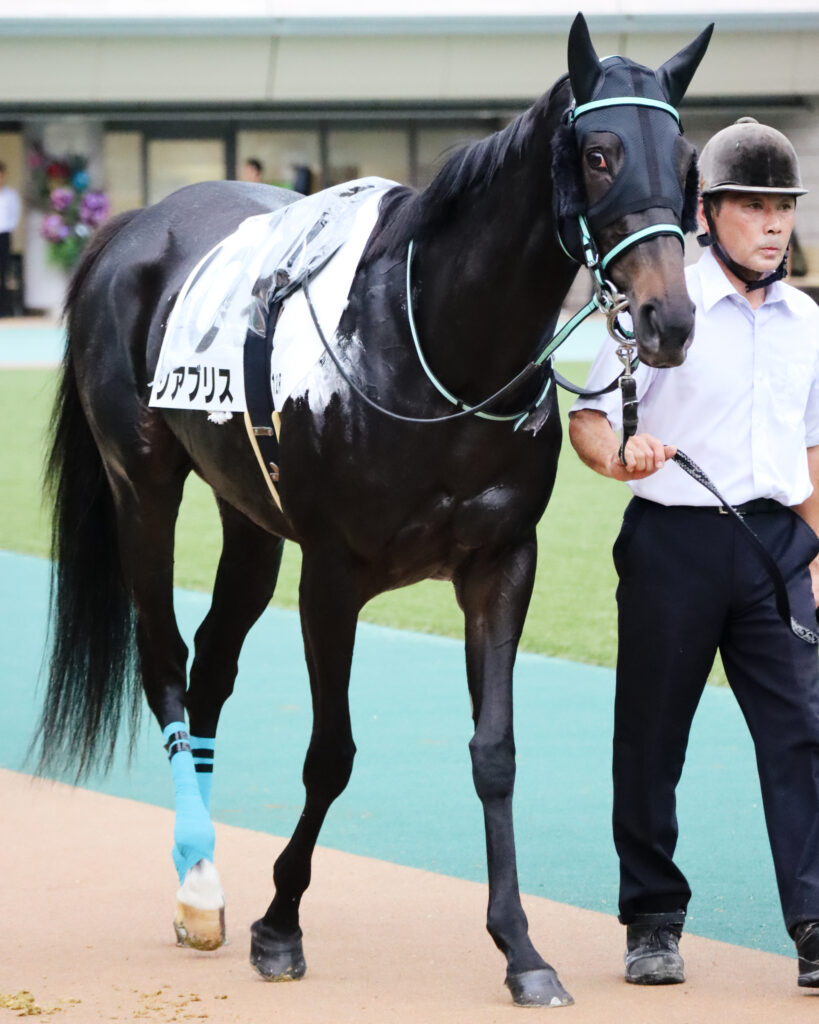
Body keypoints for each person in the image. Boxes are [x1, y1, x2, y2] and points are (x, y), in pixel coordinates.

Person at [568, 117, 819, 989]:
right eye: (752, 206)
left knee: (806, 733)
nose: (773, 223)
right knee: (649, 739)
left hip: (777, 549)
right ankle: (651, 920)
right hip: (671, 541)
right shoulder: (658, 300)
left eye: (781, 206)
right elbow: (589, 419)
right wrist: (617, 458)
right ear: (706, 214)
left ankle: (815, 920)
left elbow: (813, 449)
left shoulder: (806, 323)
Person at [0, 161, 21, 317]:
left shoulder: (10, 195)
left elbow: (14, 216)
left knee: (4, 272)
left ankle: (5, 309)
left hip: (4, 235)